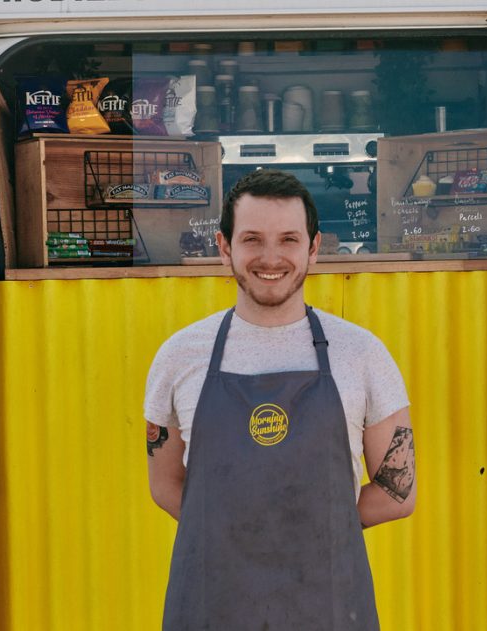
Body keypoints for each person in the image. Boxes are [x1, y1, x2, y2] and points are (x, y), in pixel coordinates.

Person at [144, 169, 415, 630]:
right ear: (225, 246)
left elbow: (397, 492)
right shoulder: (179, 356)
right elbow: (165, 484)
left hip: (327, 602)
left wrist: (312, 538)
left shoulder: (362, 353)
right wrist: (240, 541)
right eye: (252, 239)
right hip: (213, 603)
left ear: (313, 247)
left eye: (289, 239)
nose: (271, 257)